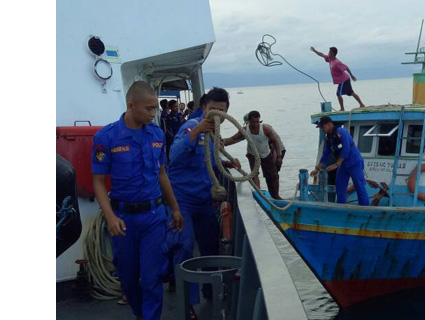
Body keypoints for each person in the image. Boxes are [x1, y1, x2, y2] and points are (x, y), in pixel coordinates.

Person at [91, 81, 183, 320]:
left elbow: (162, 174)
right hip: (123, 220)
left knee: (152, 278)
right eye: (149, 108)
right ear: (131, 105)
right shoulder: (106, 137)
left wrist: (175, 208)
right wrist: (110, 217)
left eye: (155, 108)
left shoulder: (157, 134)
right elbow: (98, 182)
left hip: (153, 217)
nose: (154, 113)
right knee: (129, 279)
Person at [167, 87, 241, 310]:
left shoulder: (213, 135)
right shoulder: (192, 126)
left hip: (204, 200)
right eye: (213, 110)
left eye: (222, 111)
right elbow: (174, 155)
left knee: (210, 247)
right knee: (185, 246)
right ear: (204, 109)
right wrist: (195, 131)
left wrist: (228, 164)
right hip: (183, 201)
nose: (217, 115)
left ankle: (210, 290)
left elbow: (208, 161)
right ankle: (187, 303)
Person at [223, 111, 283, 200]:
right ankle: (259, 192)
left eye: (257, 122)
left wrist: (278, 156)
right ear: (249, 121)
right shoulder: (245, 130)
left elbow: (275, 141)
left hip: (266, 154)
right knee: (254, 174)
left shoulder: (265, 129)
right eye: (253, 122)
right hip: (252, 154)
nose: (255, 124)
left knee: (273, 175)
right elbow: (233, 139)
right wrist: (221, 143)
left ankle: (276, 195)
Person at [310, 116, 369, 206]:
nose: (322, 129)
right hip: (344, 165)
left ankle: (365, 209)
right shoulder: (329, 138)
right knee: (340, 187)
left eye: (323, 127)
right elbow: (325, 154)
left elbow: (346, 148)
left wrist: (337, 164)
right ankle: (341, 207)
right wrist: (317, 169)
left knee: (359, 186)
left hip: (354, 163)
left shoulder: (341, 132)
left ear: (329, 124)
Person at [310, 46, 365, 111]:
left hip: (344, 80)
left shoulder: (337, 62)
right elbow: (321, 54)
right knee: (351, 92)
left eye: (330, 52)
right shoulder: (329, 59)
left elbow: (346, 67)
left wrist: (352, 75)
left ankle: (342, 108)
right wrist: (314, 50)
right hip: (342, 80)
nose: (328, 53)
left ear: (333, 53)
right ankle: (361, 104)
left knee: (338, 93)